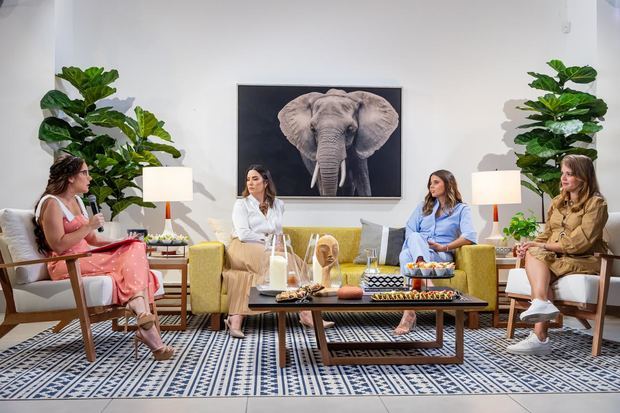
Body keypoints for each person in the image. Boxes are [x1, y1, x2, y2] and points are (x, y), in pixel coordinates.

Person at [33, 154, 173, 361]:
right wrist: (88, 225)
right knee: (131, 266)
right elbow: (58, 244)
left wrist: (122, 240)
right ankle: (144, 320)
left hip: (87, 256)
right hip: (67, 263)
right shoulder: (51, 203)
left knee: (135, 245)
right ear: (70, 177)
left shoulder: (77, 201)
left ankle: (143, 318)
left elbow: (93, 240)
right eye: (84, 173)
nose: (89, 178)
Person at [507, 155, 608, 355]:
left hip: (585, 258)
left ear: (583, 177)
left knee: (539, 263)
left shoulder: (596, 204)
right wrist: (529, 245)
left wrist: (542, 246)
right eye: (563, 173)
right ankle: (541, 311)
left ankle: (540, 337)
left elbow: (580, 243)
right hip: (559, 258)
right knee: (534, 256)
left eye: (569, 174)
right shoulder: (558, 201)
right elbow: (546, 234)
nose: (563, 178)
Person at [223, 164, 334, 338]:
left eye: (255, 179)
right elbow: (244, 234)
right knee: (281, 260)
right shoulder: (241, 204)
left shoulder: (278, 205)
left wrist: (278, 242)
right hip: (242, 246)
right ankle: (305, 314)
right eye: (248, 179)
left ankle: (306, 313)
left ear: (265, 182)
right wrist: (269, 242)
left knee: (294, 261)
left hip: (267, 248)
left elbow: (278, 231)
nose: (250, 183)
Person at [395, 170, 477, 335]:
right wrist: (419, 245)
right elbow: (410, 231)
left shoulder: (462, 209)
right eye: (430, 183)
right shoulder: (423, 207)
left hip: (440, 256)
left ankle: (410, 313)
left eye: (436, 182)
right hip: (419, 251)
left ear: (448, 183)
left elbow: (469, 236)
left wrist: (443, 247)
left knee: (406, 256)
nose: (431, 186)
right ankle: (427, 286)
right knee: (410, 246)